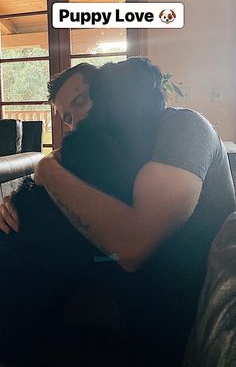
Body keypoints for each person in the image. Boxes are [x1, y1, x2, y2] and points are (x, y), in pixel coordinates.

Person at [0, 57, 235, 365]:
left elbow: (133, 244)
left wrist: (46, 168)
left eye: (82, 101)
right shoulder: (115, 148)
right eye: (68, 118)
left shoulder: (183, 126)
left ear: (109, 91)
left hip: (166, 306)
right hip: (116, 286)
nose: (76, 123)